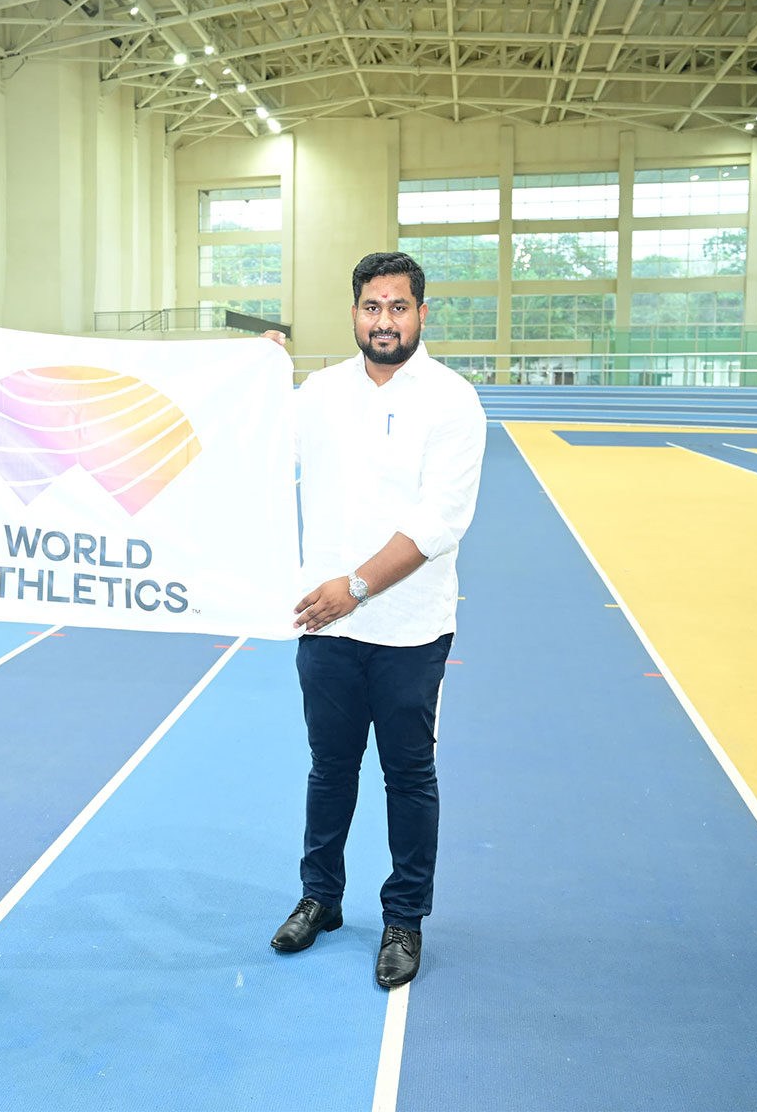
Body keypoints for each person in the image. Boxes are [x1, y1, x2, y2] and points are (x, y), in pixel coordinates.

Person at [267, 252, 485, 988]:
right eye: (371, 307)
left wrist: (353, 589)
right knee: (329, 772)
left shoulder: (453, 401)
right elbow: (259, 449)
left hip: (408, 630)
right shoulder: (318, 392)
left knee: (407, 775)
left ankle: (403, 919)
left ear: (422, 314)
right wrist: (256, 381)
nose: (383, 320)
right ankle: (320, 899)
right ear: (354, 313)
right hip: (325, 627)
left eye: (397, 307)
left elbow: (437, 524)